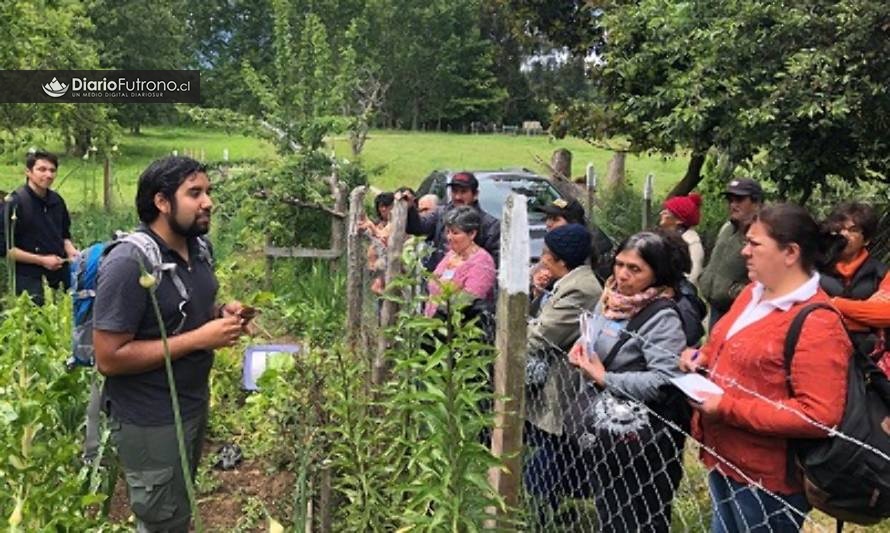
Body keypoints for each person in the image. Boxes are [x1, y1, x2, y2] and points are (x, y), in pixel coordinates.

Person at [93, 156, 251, 533]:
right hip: (150, 416)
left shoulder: (197, 249)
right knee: (161, 519)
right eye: (194, 193)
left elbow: (173, 313)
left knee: (176, 510)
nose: (208, 201)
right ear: (162, 202)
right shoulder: (130, 263)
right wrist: (200, 339)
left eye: (208, 192)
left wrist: (218, 313)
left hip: (191, 403)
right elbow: (108, 357)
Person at [679, 203, 851, 533]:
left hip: (767, 479)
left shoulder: (817, 323)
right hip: (725, 457)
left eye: (755, 244)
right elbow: (722, 343)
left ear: (790, 252)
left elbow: (818, 415)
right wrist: (701, 357)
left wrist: (727, 407)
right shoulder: (751, 293)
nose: (744, 251)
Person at [564, 231, 692, 532]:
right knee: (609, 510)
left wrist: (605, 378)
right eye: (619, 264)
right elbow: (594, 337)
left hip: (644, 443)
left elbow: (666, 380)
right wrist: (582, 348)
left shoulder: (662, 317)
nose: (622, 275)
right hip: (608, 433)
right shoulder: (610, 299)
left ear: (656, 274)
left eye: (635, 269)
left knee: (638, 518)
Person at [522, 223, 602, 521]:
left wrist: (520, 325)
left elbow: (541, 335)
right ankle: (545, 509)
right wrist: (537, 293)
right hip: (552, 384)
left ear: (561, 260)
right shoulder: (567, 282)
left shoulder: (581, 288)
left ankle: (542, 514)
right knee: (546, 452)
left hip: (564, 385)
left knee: (549, 456)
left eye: (546, 254)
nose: (542, 259)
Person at [0, 150, 78, 304]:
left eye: (52, 170)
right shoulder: (15, 204)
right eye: (42, 169)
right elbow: (5, 249)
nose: (48, 175)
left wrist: (71, 251)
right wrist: (41, 260)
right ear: (28, 172)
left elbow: (64, 235)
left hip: (59, 271)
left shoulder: (57, 201)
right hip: (28, 276)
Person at [821, 202, 890, 375]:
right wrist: (864, 317)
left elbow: (886, 313)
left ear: (866, 239)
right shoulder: (816, 269)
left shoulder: (881, 273)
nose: (844, 234)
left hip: (867, 362)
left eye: (853, 230)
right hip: (821, 353)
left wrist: (835, 303)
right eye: (840, 229)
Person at [699, 178, 763, 328]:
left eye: (739, 199)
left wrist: (733, 292)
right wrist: (706, 278)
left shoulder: (762, 233)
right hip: (715, 307)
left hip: (739, 311)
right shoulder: (727, 228)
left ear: (756, 202)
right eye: (730, 200)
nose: (733, 205)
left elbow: (768, 278)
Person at [405, 172, 500, 270]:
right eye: (454, 191)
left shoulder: (490, 225)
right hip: (439, 278)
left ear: (475, 194)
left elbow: (494, 264)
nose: (458, 197)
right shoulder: (440, 214)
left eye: (463, 192)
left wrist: (468, 266)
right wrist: (410, 208)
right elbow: (417, 228)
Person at [425, 206, 496, 319]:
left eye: (455, 233)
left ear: (472, 234)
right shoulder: (451, 254)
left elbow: (467, 301)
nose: (449, 237)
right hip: (432, 325)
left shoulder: (482, 262)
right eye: (447, 232)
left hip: (457, 329)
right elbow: (433, 282)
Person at [659, 192, 705, 284]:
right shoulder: (665, 236)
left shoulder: (692, 244)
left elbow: (692, 278)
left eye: (667, 211)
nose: (661, 213)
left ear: (679, 220)